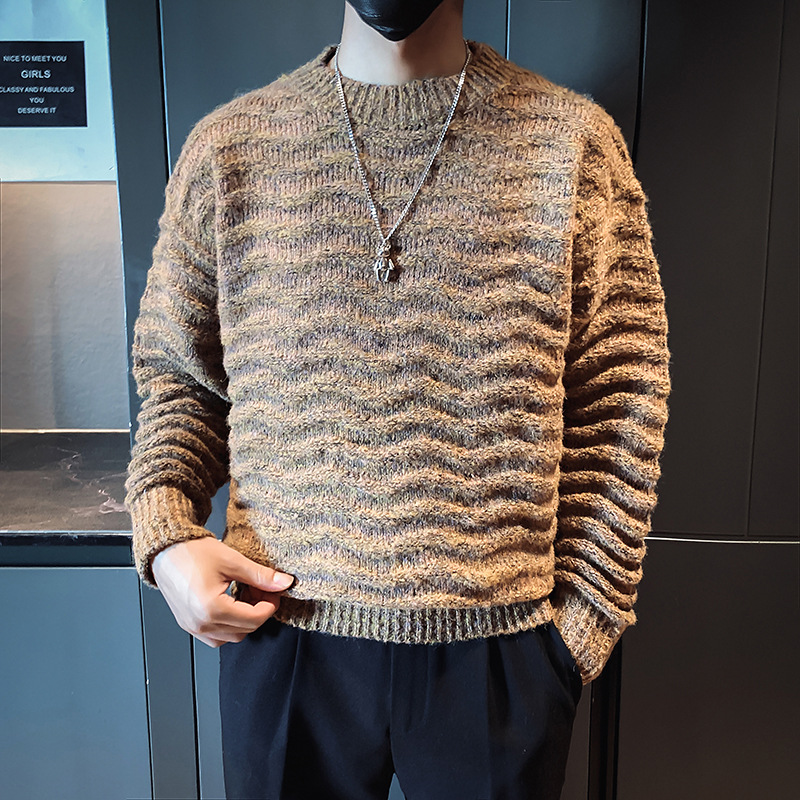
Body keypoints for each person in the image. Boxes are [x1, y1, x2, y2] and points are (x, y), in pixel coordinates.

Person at [124, 1, 672, 798]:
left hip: (502, 654)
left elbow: (619, 398)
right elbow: (181, 381)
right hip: (284, 636)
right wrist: (167, 535)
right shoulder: (230, 149)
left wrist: (580, 628)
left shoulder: (571, 147)